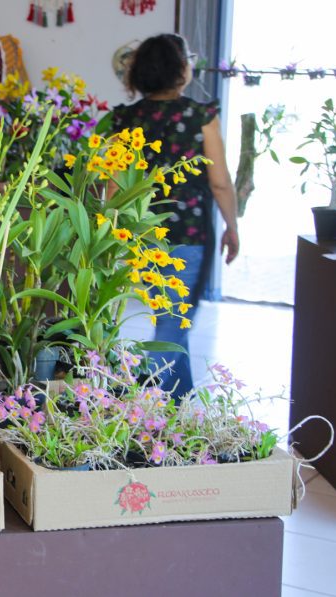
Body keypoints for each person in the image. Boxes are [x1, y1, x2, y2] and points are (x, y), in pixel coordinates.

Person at [111, 33, 239, 399]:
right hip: (189, 234)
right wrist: (232, 226)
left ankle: (179, 406)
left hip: (142, 234)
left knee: (172, 319)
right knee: (172, 322)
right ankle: (141, 405)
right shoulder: (200, 116)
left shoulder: (126, 119)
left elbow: (115, 184)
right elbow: (219, 182)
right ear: (181, 70)